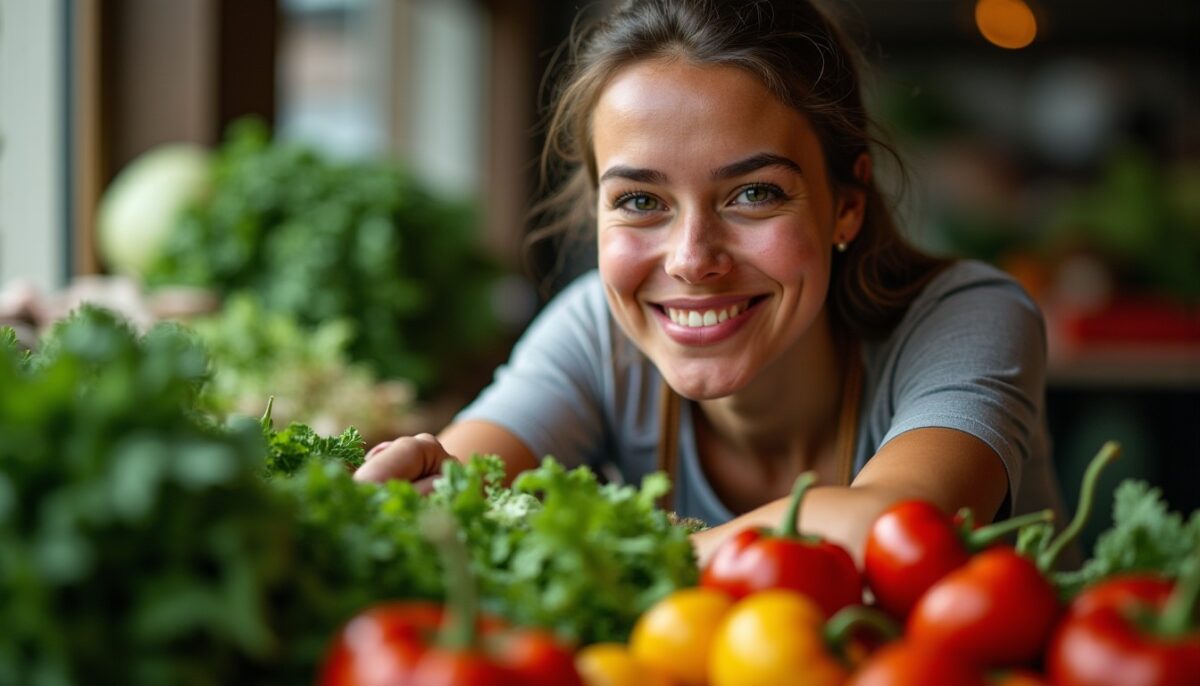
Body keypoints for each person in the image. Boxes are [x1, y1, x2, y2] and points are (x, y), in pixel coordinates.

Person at [355, 0, 1068, 565]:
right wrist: (421, 486)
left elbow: (895, 526)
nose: (693, 260)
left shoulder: (967, 316)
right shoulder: (594, 329)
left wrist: (616, 550)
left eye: (754, 194)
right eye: (640, 201)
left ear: (845, 205)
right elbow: (457, 488)